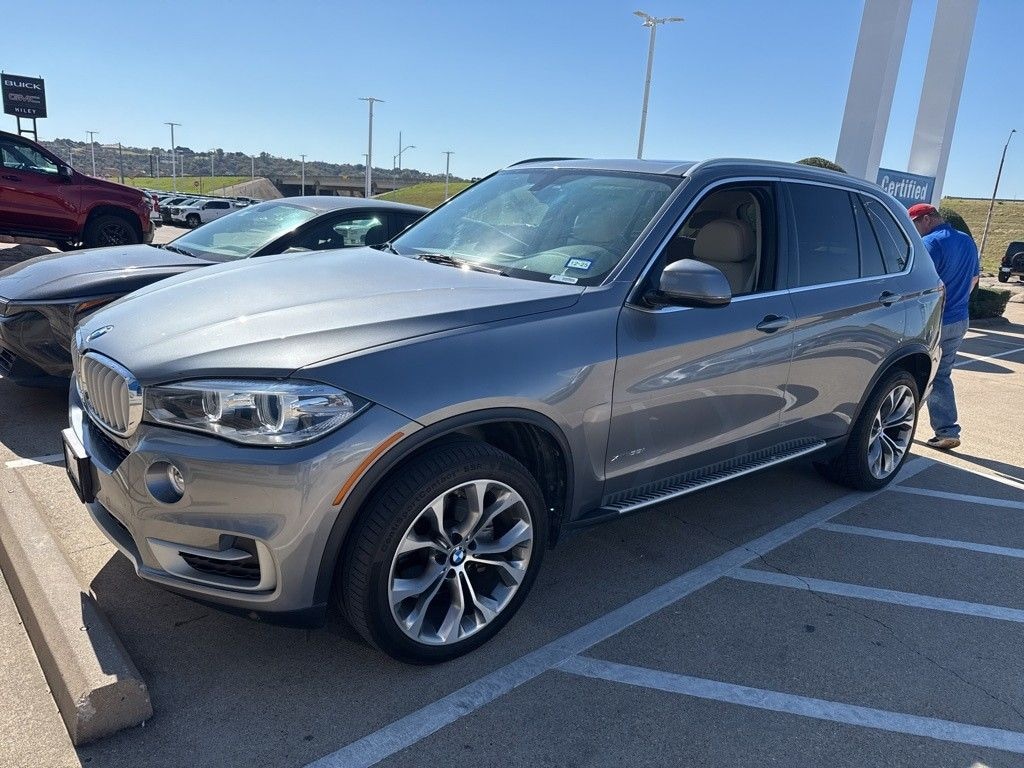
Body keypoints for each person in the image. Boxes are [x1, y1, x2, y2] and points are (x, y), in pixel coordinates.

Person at [907, 203, 980, 450]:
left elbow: (916, 282)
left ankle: (897, 424)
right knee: (941, 375)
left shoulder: (930, 244)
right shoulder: (966, 241)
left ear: (927, 219)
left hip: (934, 321)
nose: (914, 230)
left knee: (908, 372)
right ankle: (947, 430)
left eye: (914, 224)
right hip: (959, 319)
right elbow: (973, 279)